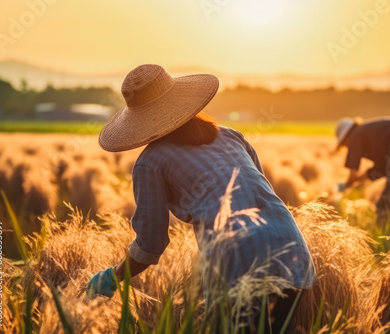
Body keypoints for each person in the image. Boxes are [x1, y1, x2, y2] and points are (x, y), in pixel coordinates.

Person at [87, 64, 315, 332]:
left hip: (240, 262)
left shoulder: (150, 162)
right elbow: (258, 194)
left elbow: (150, 245)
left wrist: (112, 277)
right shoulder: (231, 136)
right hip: (292, 251)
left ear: (138, 121)